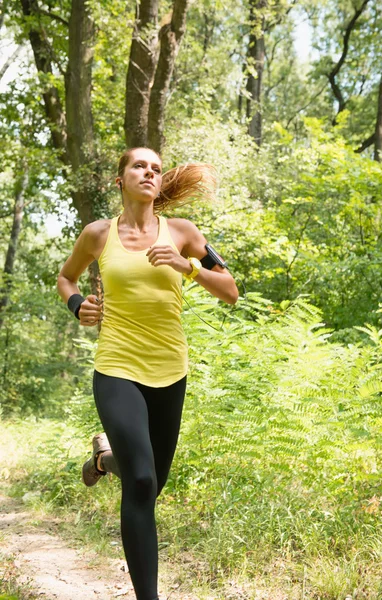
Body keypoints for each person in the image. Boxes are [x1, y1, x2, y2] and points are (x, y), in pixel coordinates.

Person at [57, 147, 239, 600]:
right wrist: (79, 306)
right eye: (139, 165)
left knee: (152, 481)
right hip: (117, 367)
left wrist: (189, 266)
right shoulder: (98, 234)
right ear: (120, 180)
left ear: (160, 184)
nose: (149, 172)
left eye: (156, 168)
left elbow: (231, 290)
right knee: (140, 482)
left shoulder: (183, 233)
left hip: (170, 370)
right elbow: (66, 278)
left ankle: (102, 459)